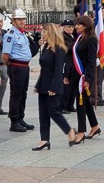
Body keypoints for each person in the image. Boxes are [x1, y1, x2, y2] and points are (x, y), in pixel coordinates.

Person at [33, 23, 77, 151]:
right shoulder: (46, 46)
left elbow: (58, 70)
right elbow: (44, 68)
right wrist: (38, 84)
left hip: (53, 85)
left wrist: (54, 87)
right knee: (43, 114)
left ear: (51, 33)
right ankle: (44, 139)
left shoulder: (59, 48)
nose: (42, 34)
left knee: (53, 111)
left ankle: (69, 131)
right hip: (43, 84)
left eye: (45, 32)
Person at [65, 16, 101, 144]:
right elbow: (73, 57)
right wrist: (68, 75)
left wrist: (88, 79)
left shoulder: (91, 39)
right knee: (84, 102)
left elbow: (91, 61)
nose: (76, 27)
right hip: (76, 75)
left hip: (84, 77)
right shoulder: (79, 38)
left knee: (80, 103)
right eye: (76, 24)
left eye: (79, 25)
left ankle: (81, 132)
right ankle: (95, 126)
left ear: (86, 26)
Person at [3, 8, 39, 132]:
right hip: (16, 66)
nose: (22, 21)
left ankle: (20, 117)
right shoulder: (10, 35)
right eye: (19, 19)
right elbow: (5, 55)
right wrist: (11, 66)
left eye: (23, 19)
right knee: (16, 94)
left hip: (24, 66)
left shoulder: (22, 33)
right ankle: (14, 121)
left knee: (23, 93)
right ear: (13, 20)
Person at [60, 19, 77, 113]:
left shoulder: (72, 36)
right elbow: (69, 48)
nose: (71, 28)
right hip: (67, 63)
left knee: (73, 86)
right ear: (64, 27)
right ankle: (63, 105)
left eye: (72, 27)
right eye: (68, 27)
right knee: (67, 85)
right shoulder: (63, 37)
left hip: (73, 63)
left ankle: (70, 104)